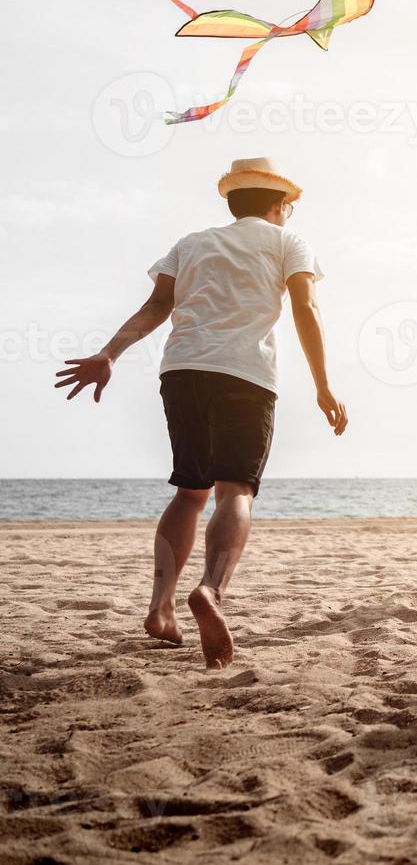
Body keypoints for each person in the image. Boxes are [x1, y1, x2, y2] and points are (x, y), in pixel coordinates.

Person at [53, 157, 348, 669]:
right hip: (245, 374)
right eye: (290, 206)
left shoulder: (190, 243)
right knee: (236, 489)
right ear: (279, 205)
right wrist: (324, 385)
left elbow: (156, 306)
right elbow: (306, 308)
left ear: (234, 201)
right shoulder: (288, 243)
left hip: (181, 370)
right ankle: (211, 590)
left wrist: (110, 353)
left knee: (190, 491)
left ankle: (160, 609)